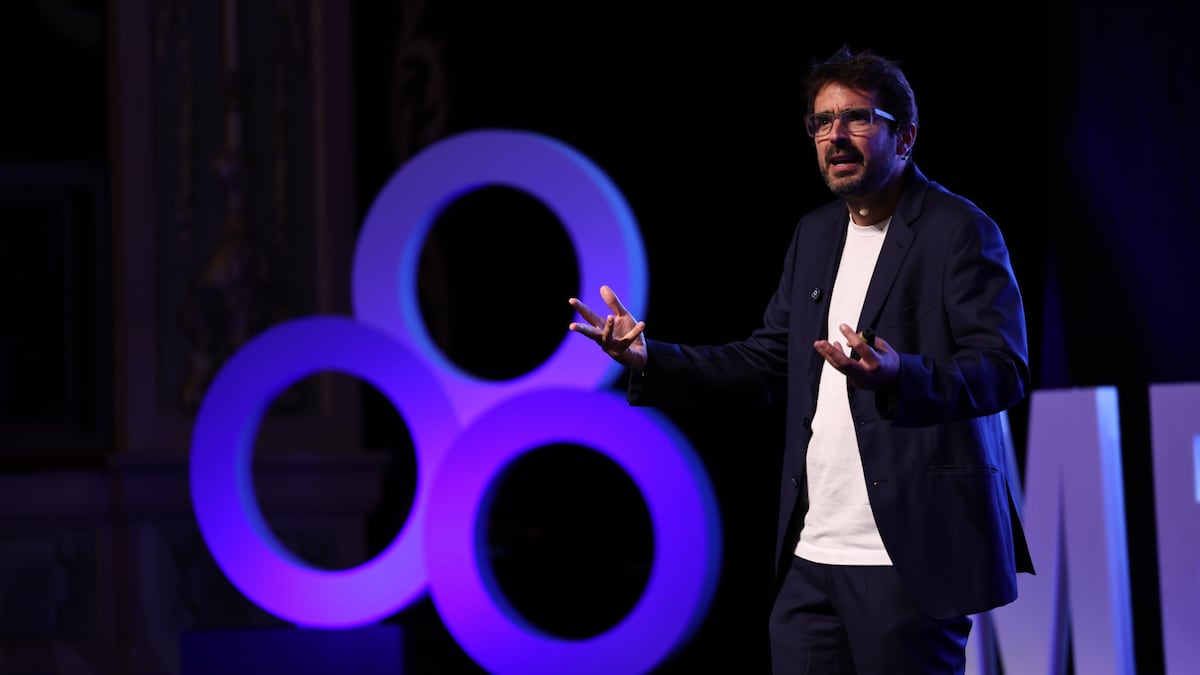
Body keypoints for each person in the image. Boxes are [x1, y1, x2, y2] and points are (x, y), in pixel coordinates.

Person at [567, 45, 1034, 674]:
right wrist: (651, 357)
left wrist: (900, 375)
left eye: (857, 119)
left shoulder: (959, 230)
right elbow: (766, 361)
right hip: (810, 559)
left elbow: (1003, 368)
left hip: (907, 560)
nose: (835, 136)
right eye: (821, 122)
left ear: (906, 136)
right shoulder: (815, 233)